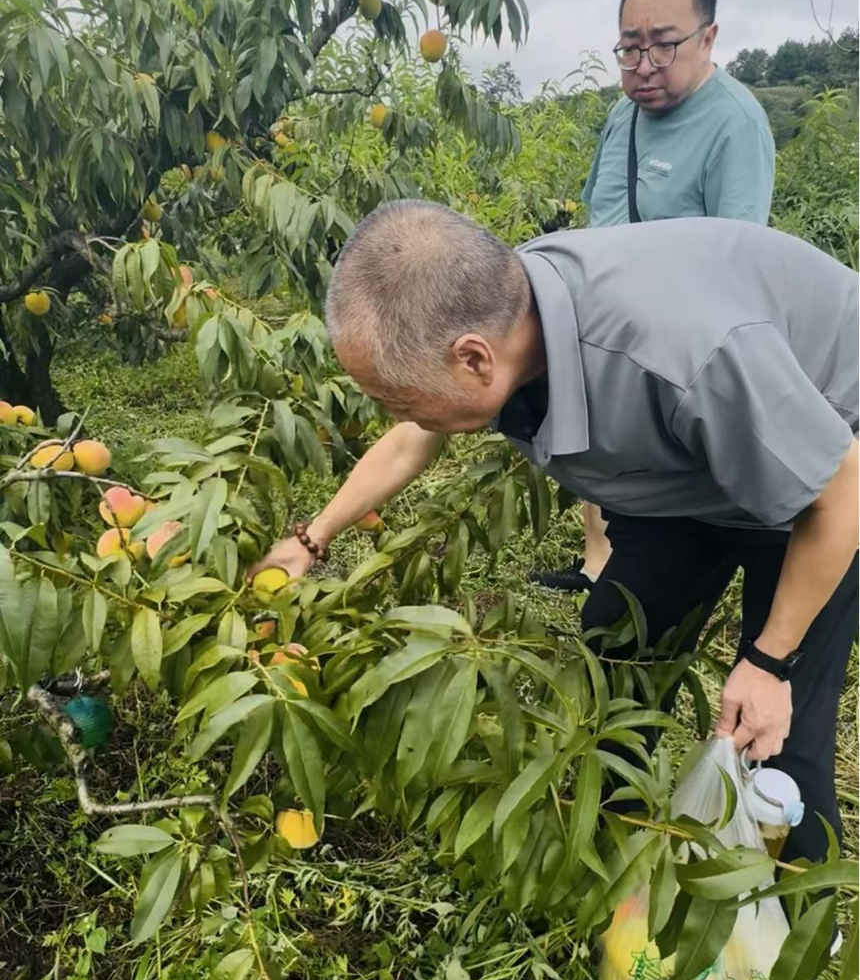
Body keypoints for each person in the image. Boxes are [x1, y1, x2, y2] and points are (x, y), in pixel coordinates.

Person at [250, 200, 858, 867]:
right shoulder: (505, 312)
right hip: (691, 475)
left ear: (474, 360)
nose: (393, 411)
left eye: (396, 396)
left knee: (777, 733)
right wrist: (312, 539)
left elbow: (840, 494)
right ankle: (613, 861)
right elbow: (409, 440)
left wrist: (770, 663)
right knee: (617, 655)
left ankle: (799, 939)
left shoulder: (684, 351)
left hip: (821, 479)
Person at [534, 0, 776, 595]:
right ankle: (596, 560)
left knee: (659, 495)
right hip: (609, 325)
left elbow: (738, 258)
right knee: (593, 445)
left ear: (708, 36)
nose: (642, 65)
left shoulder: (735, 124)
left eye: (662, 45)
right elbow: (600, 214)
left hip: (676, 342)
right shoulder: (623, 118)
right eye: (629, 46)